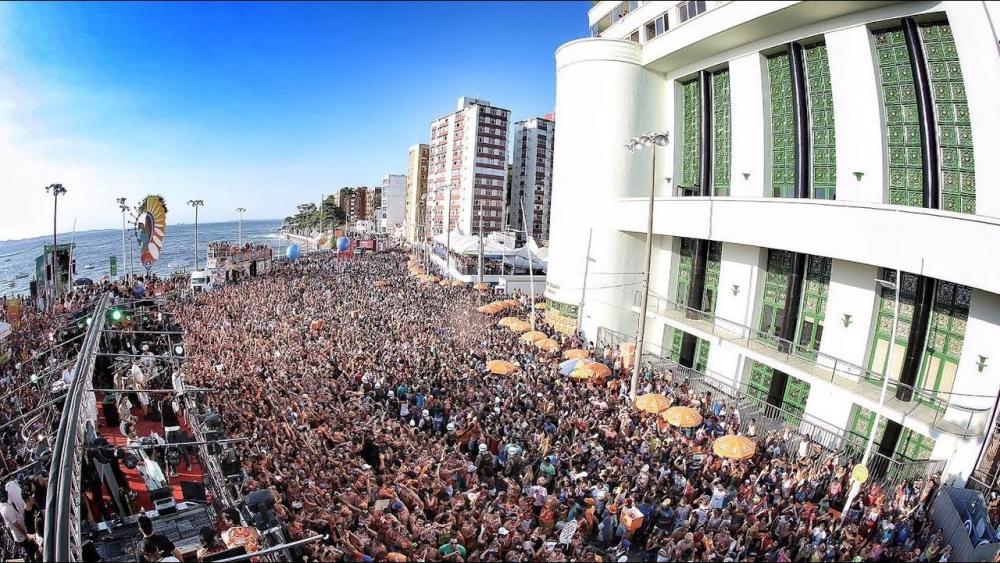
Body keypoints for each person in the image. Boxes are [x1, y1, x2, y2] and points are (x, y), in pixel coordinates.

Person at [0, 489, 37, 562]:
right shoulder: (7, 509)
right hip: (22, 536)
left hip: (20, 535)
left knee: (30, 552)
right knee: (32, 552)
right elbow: (16, 525)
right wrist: (26, 535)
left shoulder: (3, 505)